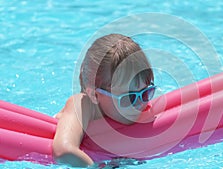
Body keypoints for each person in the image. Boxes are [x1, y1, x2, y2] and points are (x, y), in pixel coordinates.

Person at [52, 34, 156, 167]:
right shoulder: (81, 105)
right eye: (129, 98)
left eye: (146, 93)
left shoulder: (129, 105)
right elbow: (64, 151)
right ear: (95, 95)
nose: (140, 104)